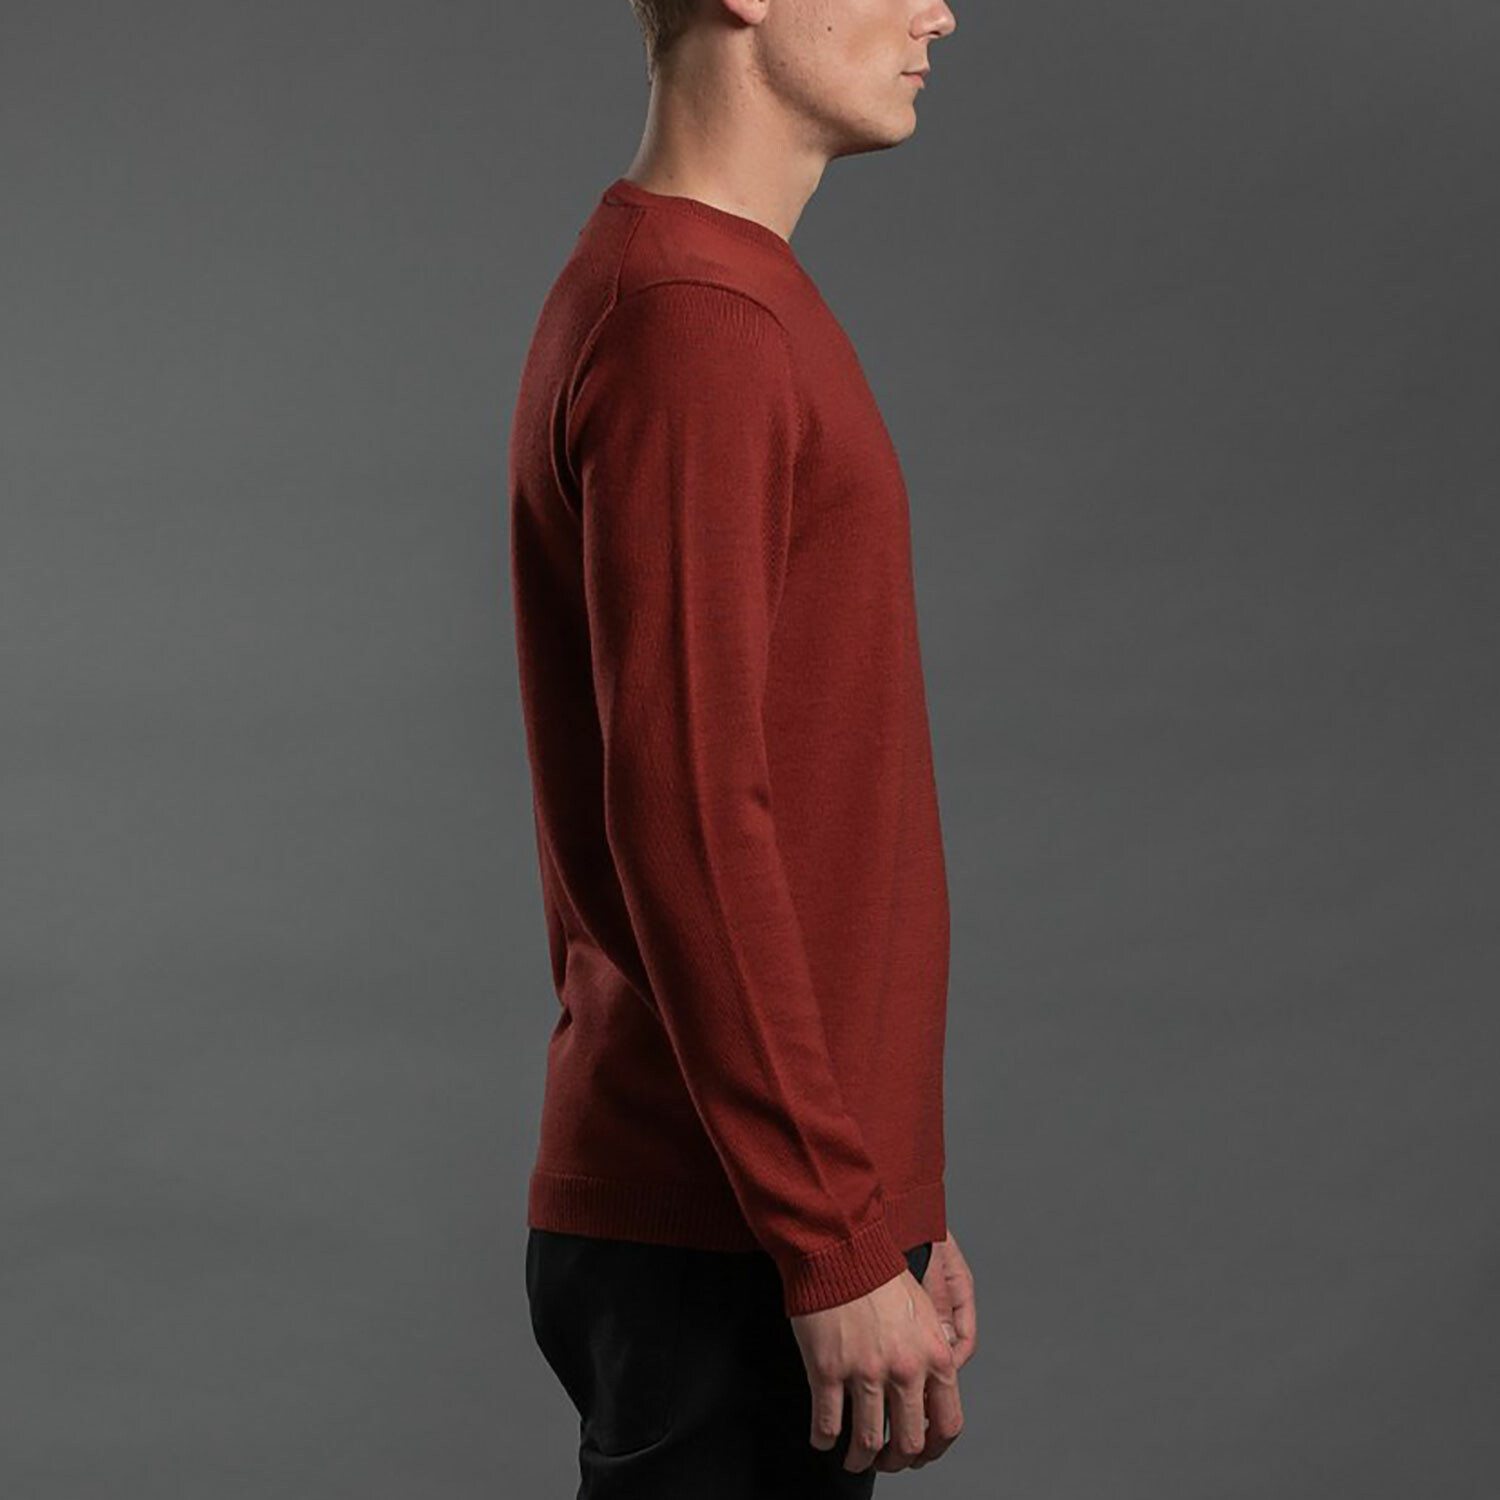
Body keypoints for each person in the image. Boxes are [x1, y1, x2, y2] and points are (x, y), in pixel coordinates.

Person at [507, 1, 974, 1492]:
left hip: (765, 1212)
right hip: (726, 1232)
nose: (940, 11)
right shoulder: (693, 322)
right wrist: (832, 1232)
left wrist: (888, 1199)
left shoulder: (720, 295)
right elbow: (688, 816)